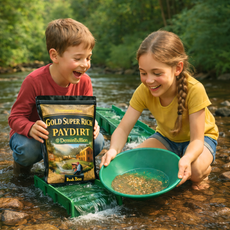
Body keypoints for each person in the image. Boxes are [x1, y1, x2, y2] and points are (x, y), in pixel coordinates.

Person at [100, 30, 218, 190]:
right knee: (132, 164)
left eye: (157, 73)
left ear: (177, 68)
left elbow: (197, 140)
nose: (149, 80)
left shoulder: (195, 90)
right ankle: (175, 160)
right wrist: (113, 150)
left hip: (201, 140)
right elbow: (122, 129)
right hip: (166, 138)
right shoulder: (143, 91)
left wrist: (187, 158)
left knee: (195, 171)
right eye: (143, 73)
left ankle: (204, 172)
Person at [8, 18, 104, 176]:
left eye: (88, 58)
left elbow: (86, 114)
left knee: (98, 141)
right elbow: (14, 118)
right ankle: (21, 170)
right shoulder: (34, 81)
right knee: (28, 150)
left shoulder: (84, 81)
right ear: (55, 56)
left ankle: (66, 167)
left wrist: (92, 124)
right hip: (35, 138)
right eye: (78, 58)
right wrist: (29, 127)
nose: (85, 64)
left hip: (66, 137)